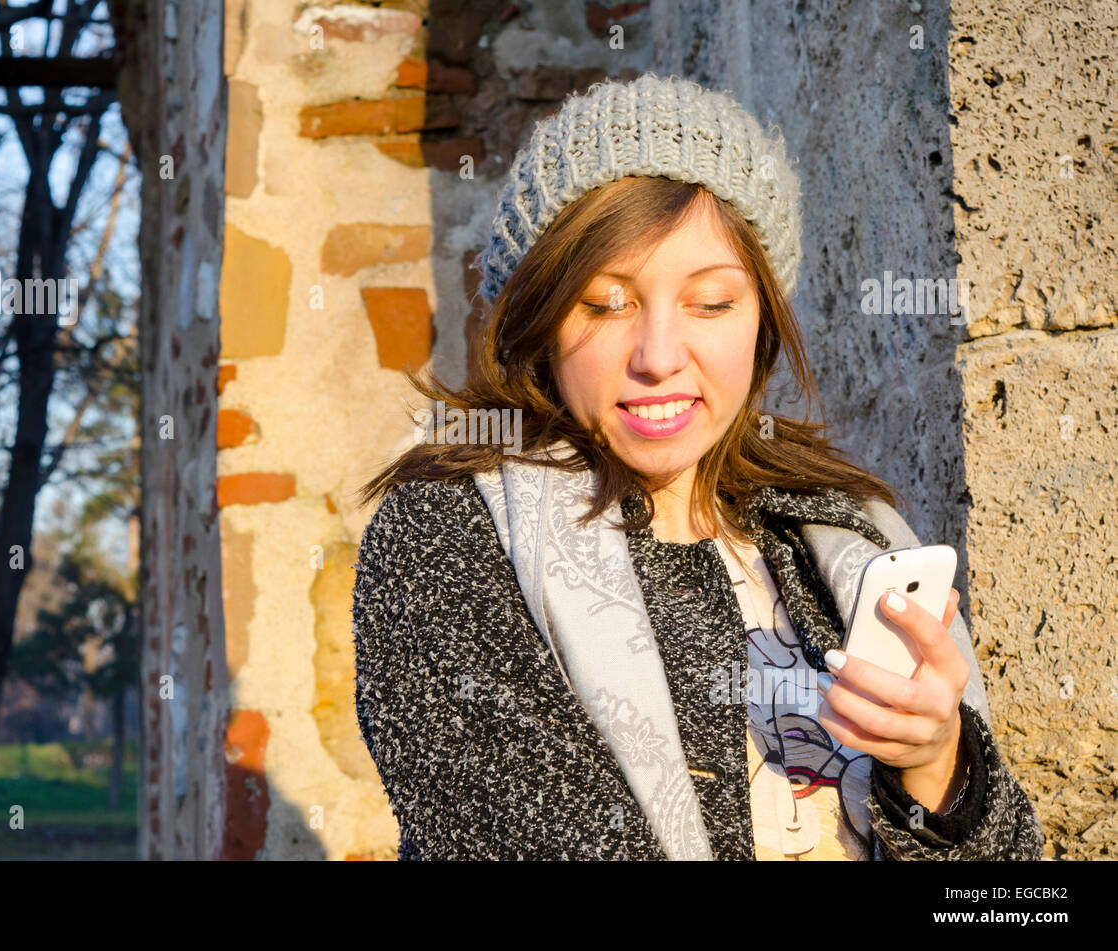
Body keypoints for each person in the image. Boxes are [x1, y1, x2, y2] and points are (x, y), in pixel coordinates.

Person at [350, 72, 1045, 860]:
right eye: (605, 303)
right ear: (541, 318)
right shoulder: (448, 541)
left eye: (712, 302)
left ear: (761, 317)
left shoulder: (853, 535)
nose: (658, 357)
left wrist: (936, 767)